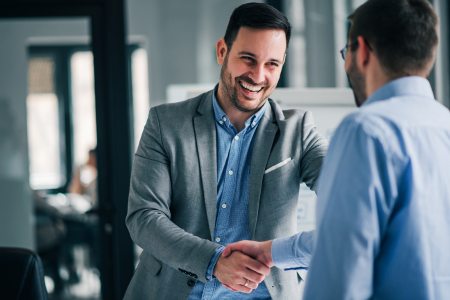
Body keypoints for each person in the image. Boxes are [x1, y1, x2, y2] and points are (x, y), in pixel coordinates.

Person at [224, 0, 450, 299]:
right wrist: (272, 251)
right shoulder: (444, 124)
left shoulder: (366, 130)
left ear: (363, 50)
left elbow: (340, 266)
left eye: (346, 53)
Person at [124, 2, 327, 299]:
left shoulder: (298, 131)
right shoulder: (165, 123)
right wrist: (213, 261)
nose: (258, 76)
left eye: (272, 64)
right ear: (222, 51)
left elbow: (349, 200)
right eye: (248, 59)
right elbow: (143, 217)